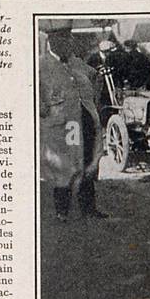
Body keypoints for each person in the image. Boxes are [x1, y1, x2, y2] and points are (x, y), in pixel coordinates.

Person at [40, 26, 105, 220]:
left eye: (69, 40)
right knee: (64, 165)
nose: (68, 44)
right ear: (53, 42)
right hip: (62, 124)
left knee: (87, 162)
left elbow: (94, 77)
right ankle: (62, 210)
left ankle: (89, 208)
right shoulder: (41, 65)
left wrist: (97, 83)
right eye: (64, 40)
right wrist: (44, 111)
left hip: (85, 120)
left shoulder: (77, 63)